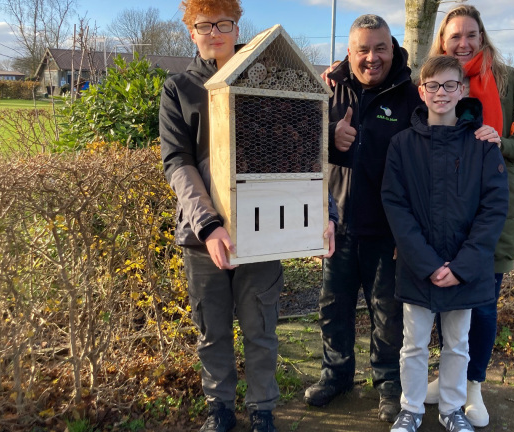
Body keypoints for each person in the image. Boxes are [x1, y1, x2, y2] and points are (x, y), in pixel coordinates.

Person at [159, 1, 337, 431]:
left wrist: (320, 215)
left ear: (236, 26)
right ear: (191, 31)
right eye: (205, 24)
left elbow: (302, 154)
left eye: (224, 23)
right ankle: (219, 407)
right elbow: (177, 162)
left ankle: (262, 409)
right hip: (203, 236)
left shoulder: (267, 80)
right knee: (212, 329)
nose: (215, 31)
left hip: (262, 230)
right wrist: (209, 225)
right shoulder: (179, 87)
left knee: (260, 326)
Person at [424, 5, 514, 428]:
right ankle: (448, 379)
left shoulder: (509, 81)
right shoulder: (430, 80)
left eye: (470, 35)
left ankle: (472, 384)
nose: (463, 43)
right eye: (454, 36)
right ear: (442, 40)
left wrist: (500, 143)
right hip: (442, 212)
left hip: (495, 209)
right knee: (443, 298)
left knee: (482, 301)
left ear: (482, 37)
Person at [302, 14, 423, 423]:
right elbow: (299, 150)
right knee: (333, 308)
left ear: (394, 47)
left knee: (387, 315)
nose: (372, 58)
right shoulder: (329, 91)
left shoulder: (411, 98)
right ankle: (335, 376)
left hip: (387, 232)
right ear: (349, 53)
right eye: (363, 50)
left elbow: (423, 168)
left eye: (380, 48)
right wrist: (330, 138)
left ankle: (389, 384)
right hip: (336, 226)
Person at [382, 54, 509, 432]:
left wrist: (461, 266)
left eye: (450, 85)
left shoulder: (482, 145)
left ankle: (452, 408)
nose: (441, 93)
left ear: (462, 91)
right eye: (433, 86)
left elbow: (494, 209)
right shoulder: (402, 145)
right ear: (421, 91)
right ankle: (412, 408)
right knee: (414, 344)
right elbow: (396, 206)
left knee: (458, 345)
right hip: (418, 268)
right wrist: (427, 263)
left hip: (463, 270)